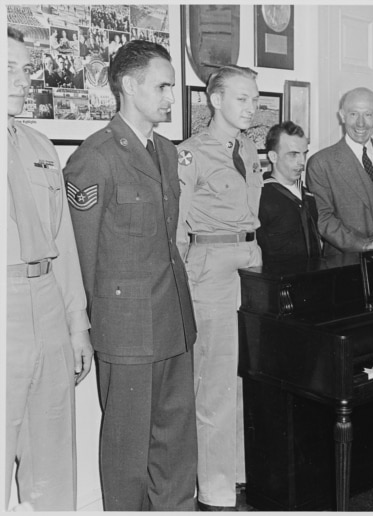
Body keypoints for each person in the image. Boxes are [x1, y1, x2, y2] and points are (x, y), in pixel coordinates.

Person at [63, 40, 198, 511]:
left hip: (173, 318)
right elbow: (81, 256)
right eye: (162, 86)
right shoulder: (95, 158)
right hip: (126, 328)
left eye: (171, 87)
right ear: (128, 85)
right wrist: (83, 326)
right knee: (127, 450)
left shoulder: (165, 151)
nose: (169, 97)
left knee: (177, 443)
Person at [5, 26, 93, 511]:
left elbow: (63, 244)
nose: (26, 79)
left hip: (48, 303)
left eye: (26, 66)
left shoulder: (40, 148)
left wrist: (77, 325)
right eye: (11, 67)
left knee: (53, 455)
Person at [176, 65, 263, 511]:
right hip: (210, 266)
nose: (252, 107)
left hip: (250, 261)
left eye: (254, 99)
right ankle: (214, 490)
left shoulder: (248, 149)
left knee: (243, 375)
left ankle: (241, 474)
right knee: (213, 383)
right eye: (242, 98)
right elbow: (176, 230)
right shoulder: (190, 154)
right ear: (215, 100)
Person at [306, 87, 373, 255]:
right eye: (353, 114)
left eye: (368, 114)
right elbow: (324, 219)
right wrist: (363, 244)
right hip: (346, 265)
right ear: (342, 115)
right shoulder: (320, 163)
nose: (361, 123)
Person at [258, 121, 321, 263]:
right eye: (293, 155)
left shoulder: (308, 196)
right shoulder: (261, 198)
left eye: (304, 154)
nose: (302, 162)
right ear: (273, 157)